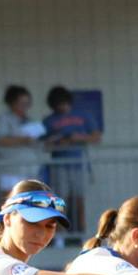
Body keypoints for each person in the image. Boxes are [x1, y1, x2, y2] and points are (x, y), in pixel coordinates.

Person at [41, 86, 97, 219]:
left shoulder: (83, 116)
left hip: (78, 164)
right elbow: (43, 145)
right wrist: (57, 142)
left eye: (64, 103)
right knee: (59, 201)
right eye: (58, 105)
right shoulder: (49, 120)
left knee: (79, 200)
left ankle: (80, 234)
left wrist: (79, 138)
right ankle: (60, 236)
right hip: (59, 165)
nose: (62, 107)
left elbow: (96, 136)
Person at [0, 85, 44, 189]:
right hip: (10, 169)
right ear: (12, 103)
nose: (25, 106)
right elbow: (0, 140)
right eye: (22, 103)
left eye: (27, 103)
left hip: (30, 169)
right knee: (10, 200)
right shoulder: (4, 120)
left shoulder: (31, 120)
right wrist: (23, 140)